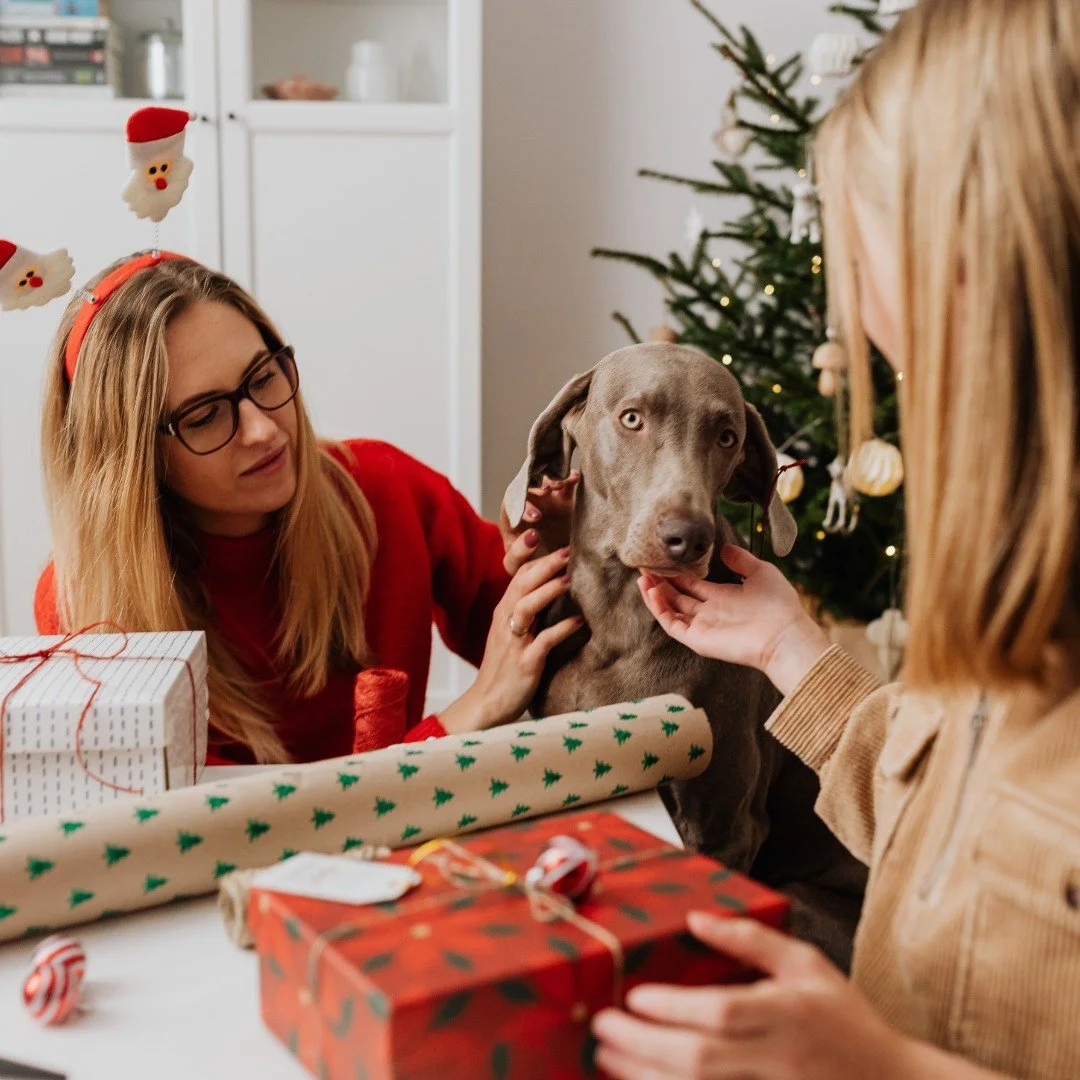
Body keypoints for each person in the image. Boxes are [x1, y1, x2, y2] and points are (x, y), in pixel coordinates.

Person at [591, 0, 1080, 1077]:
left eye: (882, 263)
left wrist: (883, 1068)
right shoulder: (1024, 580)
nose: (863, 332)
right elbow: (948, 798)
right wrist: (792, 651)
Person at [35, 254, 580, 764]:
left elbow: (552, 634)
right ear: (132, 459)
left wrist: (569, 557)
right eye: (204, 417)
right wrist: (468, 715)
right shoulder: (85, 606)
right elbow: (213, 831)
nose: (264, 429)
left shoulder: (383, 488)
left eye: (264, 377)